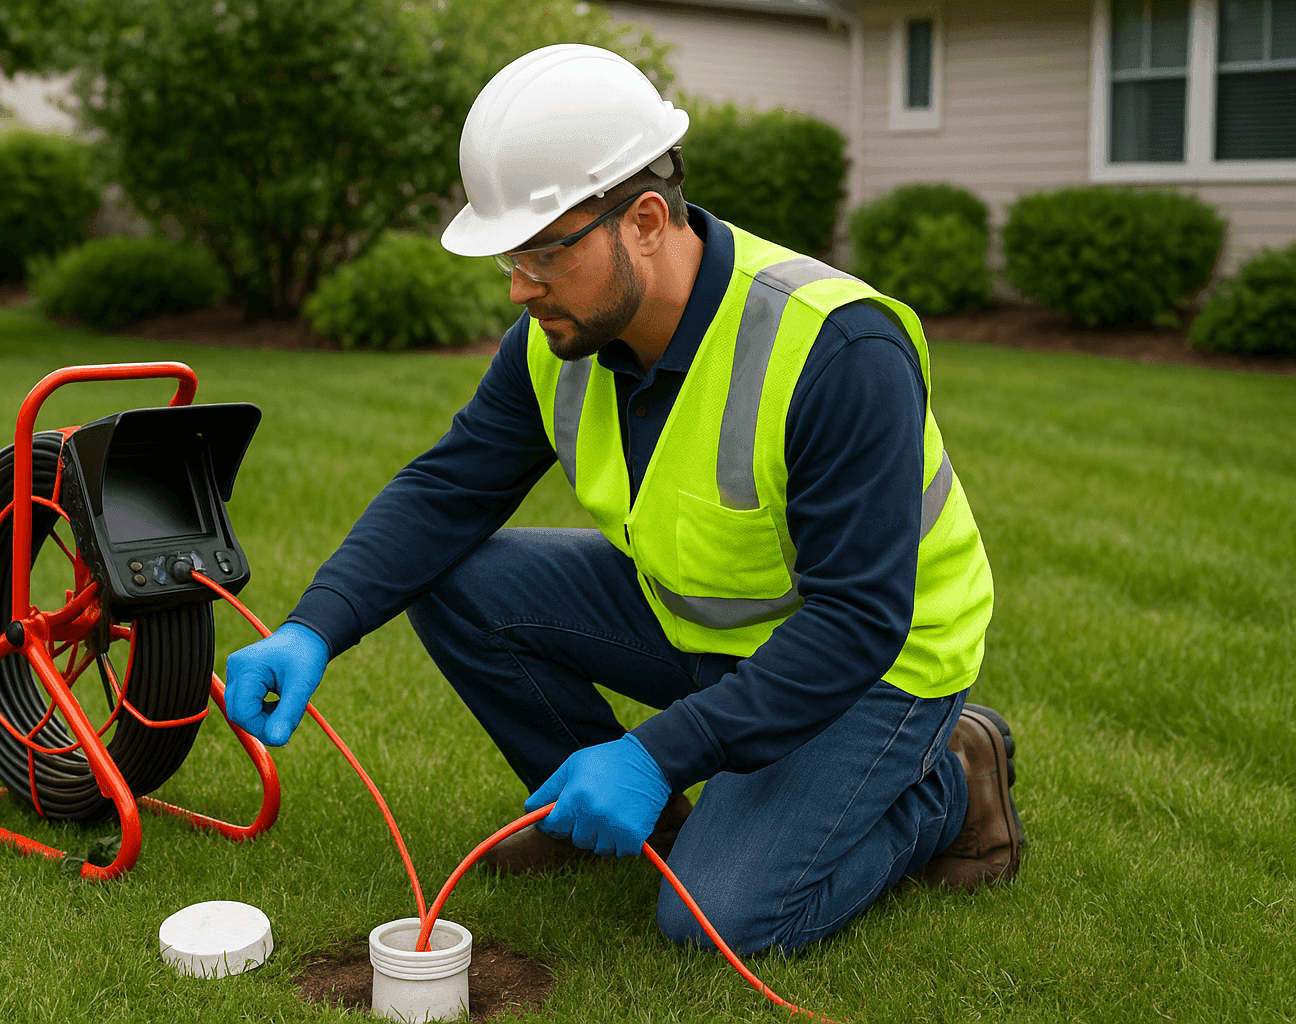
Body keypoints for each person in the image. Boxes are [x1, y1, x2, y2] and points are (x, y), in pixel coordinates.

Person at [224, 43, 1023, 957]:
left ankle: (949, 778)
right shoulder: (556, 334)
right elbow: (448, 489)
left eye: (542, 253)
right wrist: (313, 626)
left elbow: (857, 622)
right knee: (450, 576)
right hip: (701, 624)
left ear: (644, 219)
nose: (522, 288)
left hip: (876, 665)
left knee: (714, 923)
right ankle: (626, 819)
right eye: (509, 260)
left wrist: (658, 750)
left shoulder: (837, 349)